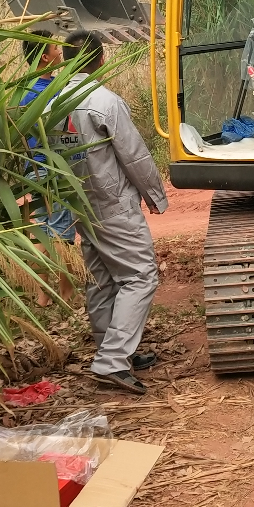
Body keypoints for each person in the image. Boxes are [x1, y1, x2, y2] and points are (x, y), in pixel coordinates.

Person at [61, 31, 168, 394]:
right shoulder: (103, 101)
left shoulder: (50, 102)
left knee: (102, 279)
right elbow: (133, 154)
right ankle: (112, 361)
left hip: (78, 199)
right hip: (112, 202)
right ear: (100, 59)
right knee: (140, 276)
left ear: (64, 59)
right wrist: (154, 193)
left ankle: (112, 348)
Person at [19, 38, 76, 306]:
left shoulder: (27, 88)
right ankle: (67, 292)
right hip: (51, 167)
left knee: (41, 227)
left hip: (34, 168)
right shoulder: (48, 91)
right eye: (55, 49)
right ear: (44, 57)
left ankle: (42, 295)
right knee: (62, 230)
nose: (60, 52)